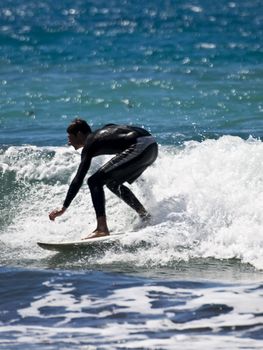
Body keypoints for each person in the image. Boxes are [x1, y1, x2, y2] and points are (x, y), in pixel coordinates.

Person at [49, 118, 158, 239]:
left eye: (70, 137)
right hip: (152, 146)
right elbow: (120, 133)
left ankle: (102, 229)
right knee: (112, 183)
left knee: (94, 181)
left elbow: (79, 178)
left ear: (79, 134)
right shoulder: (103, 132)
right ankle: (144, 216)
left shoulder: (90, 143)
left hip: (140, 146)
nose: (69, 141)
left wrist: (63, 208)